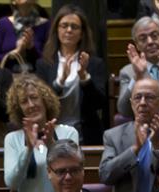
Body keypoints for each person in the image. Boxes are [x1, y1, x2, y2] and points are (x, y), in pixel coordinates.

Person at [4, 75, 79, 192]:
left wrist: (52, 145)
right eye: (24, 101)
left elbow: (72, 173)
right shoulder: (12, 139)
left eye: (34, 97)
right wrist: (28, 150)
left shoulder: (68, 133)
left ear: (45, 100)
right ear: (19, 108)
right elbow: (12, 183)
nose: (31, 105)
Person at [36, 4, 108, 143]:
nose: (69, 30)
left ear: (82, 33)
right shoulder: (44, 64)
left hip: (86, 134)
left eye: (74, 27)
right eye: (64, 26)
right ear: (56, 30)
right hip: (52, 134)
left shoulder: (94, 63)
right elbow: (42, 103)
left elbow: (99, 103)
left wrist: (84, 78)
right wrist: (60, 81)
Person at [0, 0, 50, 73]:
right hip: (7, 77)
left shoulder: (46, 25)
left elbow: (48, 61)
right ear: (13, 1)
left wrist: (31, 48)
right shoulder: (3, 24)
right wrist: (14, 53)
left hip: (36, 78)